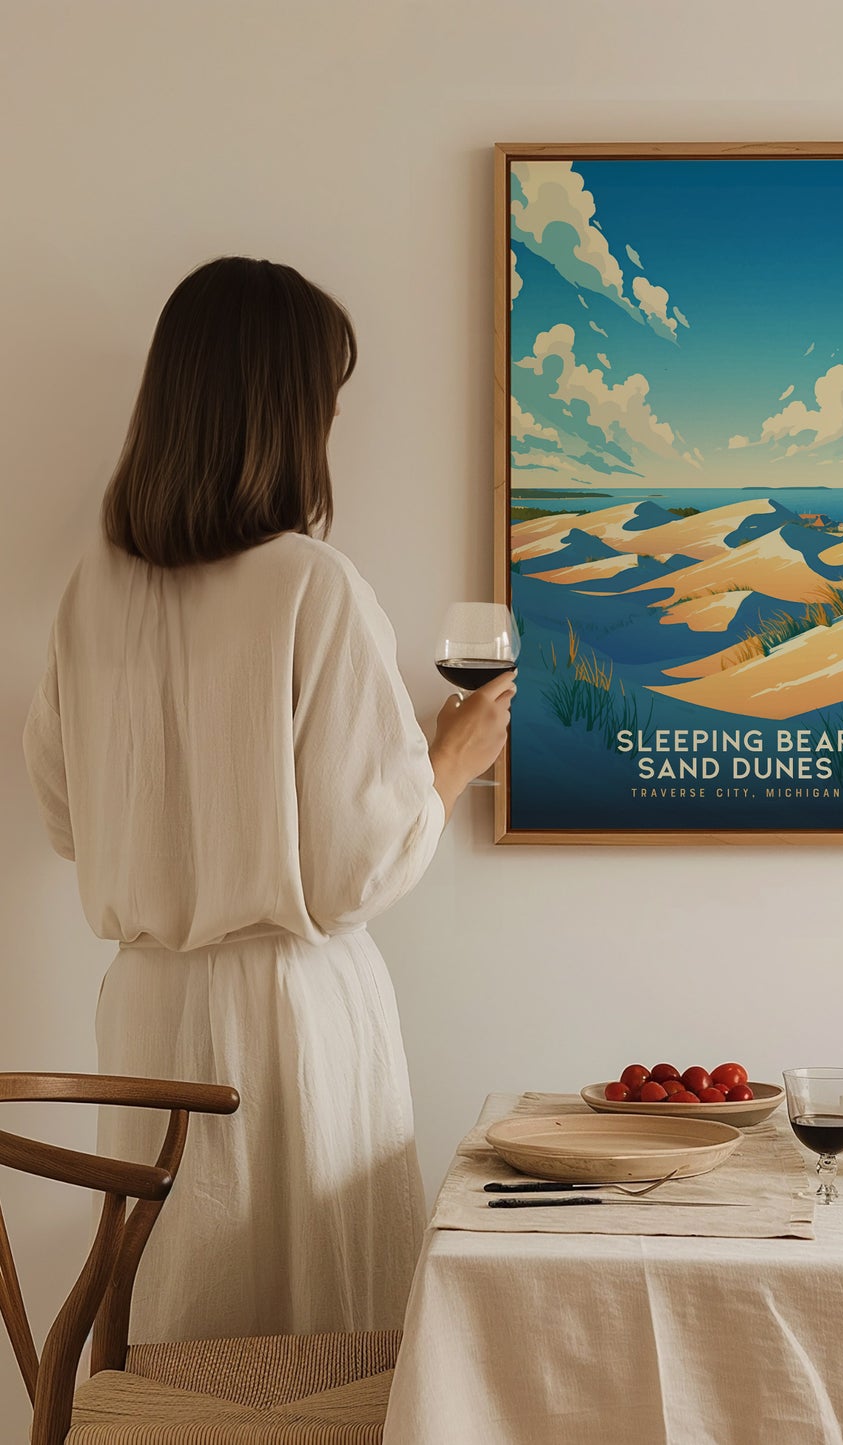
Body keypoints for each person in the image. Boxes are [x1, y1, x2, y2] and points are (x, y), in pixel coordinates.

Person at [21, 256, 511, 1341]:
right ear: (287, 412)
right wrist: (448, 759)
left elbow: (65, 816)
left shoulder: (91, 591)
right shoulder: (310, 583)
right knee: (313, 1343)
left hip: (146, 1010)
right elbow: (350, 871)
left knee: (177, 1327)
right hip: (289, 1019)